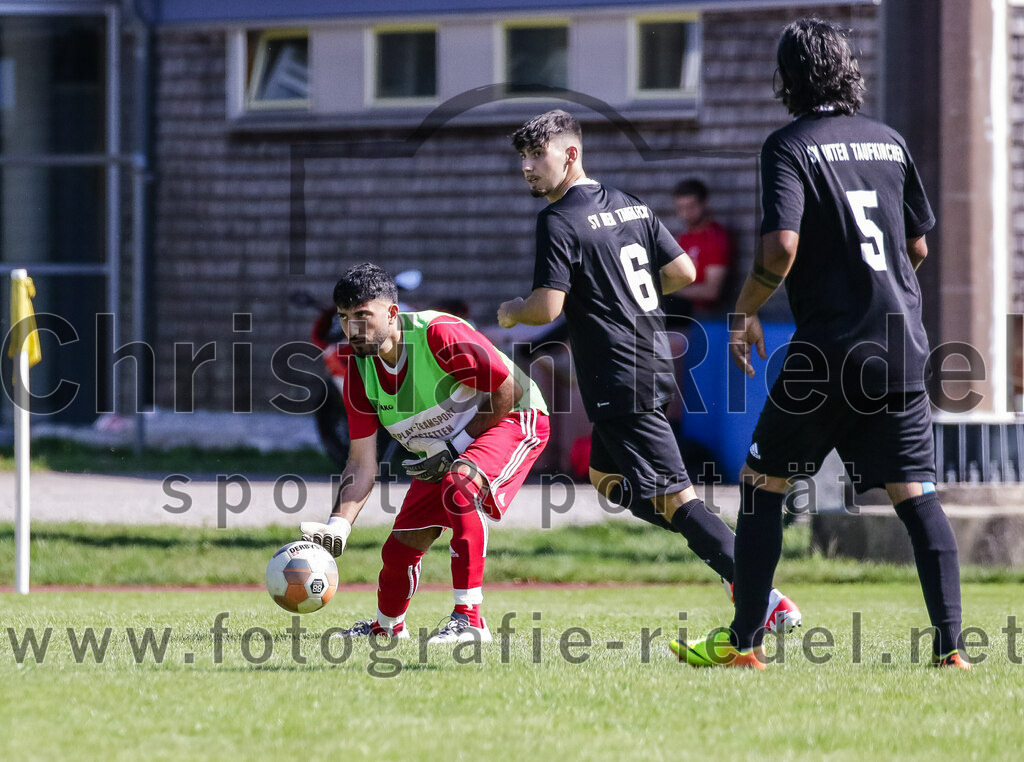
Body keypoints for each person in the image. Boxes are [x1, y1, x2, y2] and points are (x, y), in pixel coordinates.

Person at [674, 18, 969, 669]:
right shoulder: (889, 142)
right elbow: (917, 245)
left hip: (828, 352)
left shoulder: (788, 146)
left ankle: (745, 642)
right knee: (916, 495)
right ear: (847, 69)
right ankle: (952, 648)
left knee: (762, 485)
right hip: (899, 344)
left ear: (788, 78)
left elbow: (781, 247)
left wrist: (745, 309)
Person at [497, 109, 801, 633]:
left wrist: (511, 312)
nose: (527, 166)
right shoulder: (630, 203)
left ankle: (759, 591)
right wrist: (618, 290)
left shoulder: (558, 219)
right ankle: (723, 556)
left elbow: (546, 308)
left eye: (537, 155)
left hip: (618, 375)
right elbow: (683, 271)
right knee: (606, 479)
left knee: (678, 498)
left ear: (571, 154)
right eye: (522, 157)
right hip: (653, 362)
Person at [300, 263, 550, 643]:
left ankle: (470, 621)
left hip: (515, 416)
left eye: (363, 316)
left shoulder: (437, 334)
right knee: (401, 546)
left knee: (460, 486)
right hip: (449, 446)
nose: (353, 328)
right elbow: (361, 463)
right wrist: (339, 525)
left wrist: (455, 448)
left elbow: (508, 389)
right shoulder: (358, 372)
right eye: (345, 318)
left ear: (392, 313)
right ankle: (386, 629)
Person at [663, 179, 733, 323]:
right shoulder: (683, 237)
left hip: (700, 315)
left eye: (691, 207)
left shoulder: (715, 238)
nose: (685, 214)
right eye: (680, 208)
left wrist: (670, 290)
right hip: (679, 309)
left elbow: (711, 292)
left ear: (704, 203)